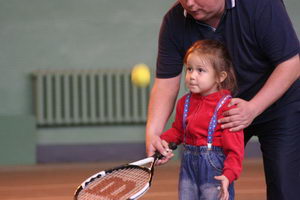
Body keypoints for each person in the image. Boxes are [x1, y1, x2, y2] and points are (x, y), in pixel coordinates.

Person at [145, 0, 300, 199]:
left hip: (279, 104)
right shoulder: (174, 21)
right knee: (210, 187)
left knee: (285, 187)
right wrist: (154, 133)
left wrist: (253, 108)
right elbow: (166, 82)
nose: (189, 4)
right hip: (221, 115)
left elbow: (291, 63)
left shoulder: (261, 4)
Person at [159, 39, 244, 200]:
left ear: (220, 77)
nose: (192, 76)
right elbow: (178, 131)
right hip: (188, 170)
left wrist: (229, 175)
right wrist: (163, 141)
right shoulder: (184, 102)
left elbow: (235, 150)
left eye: (200, 70)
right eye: (189, 69)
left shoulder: (228, 108)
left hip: (215, 173)